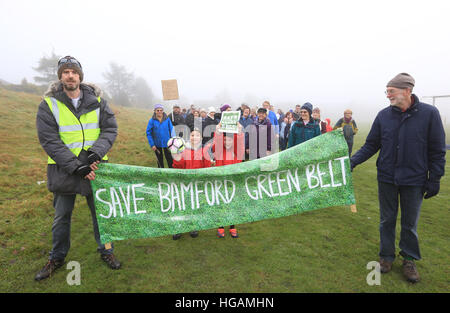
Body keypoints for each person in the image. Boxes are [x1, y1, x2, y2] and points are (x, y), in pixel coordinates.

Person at [350, 73, 446, 283]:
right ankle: (386, 257)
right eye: (387, 91)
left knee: (409, 223)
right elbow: (371, 144)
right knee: (387, 219)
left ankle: (409, 259)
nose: (388, 96)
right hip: (387, 177)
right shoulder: (383, 115)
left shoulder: (430, 114)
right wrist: (353, 161)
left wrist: (435, 178)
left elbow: (437, 150)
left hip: (415, 179)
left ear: (407, 90)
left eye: (391, 91)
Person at [35, 56, 121, 281]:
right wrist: (77, 166)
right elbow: (49, 141)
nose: (70, 75)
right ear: (60, 77)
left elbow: (110, 129)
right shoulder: (48, 104)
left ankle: (107, 250)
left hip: (96, 168)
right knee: (62, 216)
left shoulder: (98, 101)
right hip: (65, 170)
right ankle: (57, 257)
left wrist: (96, 153)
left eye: (74, 72)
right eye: (65, 72)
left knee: (101, 215)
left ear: (80, 76)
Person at [172, 128, 212, 240]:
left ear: (201, 138)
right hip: (184, 183)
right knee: (181, 205)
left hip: (197, 184)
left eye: (197, 135)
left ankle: (193, 226)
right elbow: (177, 166)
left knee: (194, 205)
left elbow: (207, 168)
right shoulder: (184, 150)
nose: (194, 137)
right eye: (192, 135)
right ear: (189, 137)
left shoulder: (204, 151)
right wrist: (176, 156)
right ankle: (179, 227)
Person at [211, 125, 245, 238]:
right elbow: (216, 145)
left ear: (233, 140)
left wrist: (239, 131)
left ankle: (232, 227)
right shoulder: (219, 152)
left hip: (233, 183)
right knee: (221, 204)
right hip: (221, 182)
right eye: (225, 139)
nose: (227, 142)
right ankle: (220, 227)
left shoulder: (237, 152)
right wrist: (218, 131)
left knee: (232, 204)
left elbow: (240, 143)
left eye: (229, 139)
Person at [146, 104, 176, 168]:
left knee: (169, 158)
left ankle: (171, 171)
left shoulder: (167, 119)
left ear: (163, 111)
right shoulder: (151, 121)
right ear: (155, 111)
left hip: (167, 142)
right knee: (159, 160)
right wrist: (152, 144)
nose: (159, 111)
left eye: (161, 110)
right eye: (157, 110)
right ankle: (160, 172)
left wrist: (173, 139)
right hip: (157, 143)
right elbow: (148, 133)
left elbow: (171, 129)